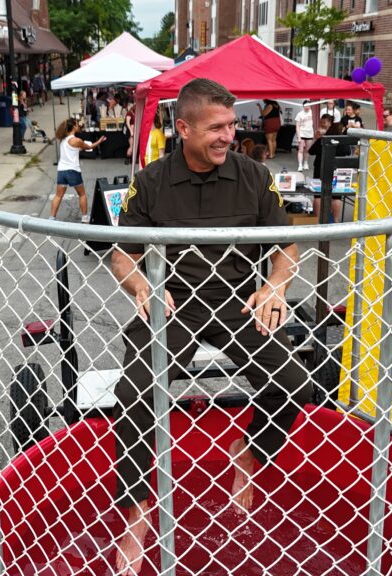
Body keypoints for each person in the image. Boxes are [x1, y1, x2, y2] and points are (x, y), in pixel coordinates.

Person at [111, 78, 311, 575]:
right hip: (174, 301)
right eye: (216, 127)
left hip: (241, 301)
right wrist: (142, 288)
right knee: (134, 392)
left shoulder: (252, 174)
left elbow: (287, 245)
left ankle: (248, 451)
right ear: (183, 129)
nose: (228, 135)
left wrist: (274, 288)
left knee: (291, 381)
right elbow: (121, 255)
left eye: (231, 125)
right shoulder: (151, 181)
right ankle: (137, 515)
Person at [50, 118, 105, 222]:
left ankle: (51, 217)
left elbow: (75, 150)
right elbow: (89, 147)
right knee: (82, 194)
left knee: (58, 195)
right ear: (74, 126)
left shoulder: (63, 139)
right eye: (77, 124)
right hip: (73, 171)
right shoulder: (76, 140)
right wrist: (99, 141)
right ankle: (84, 218)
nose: (78, 126)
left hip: (61, 171)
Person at [294, 100, 315, 171]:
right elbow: (297, 126)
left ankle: (305, 163)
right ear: (303, 106)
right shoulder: (300, 114)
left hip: (309, 134)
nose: (307, 107)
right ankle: (300, 165)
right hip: (302, 133)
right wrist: (299, 137)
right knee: (301, 150)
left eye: (308, 105)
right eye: (306, 105)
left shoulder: (313, 113)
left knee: (307, 150)